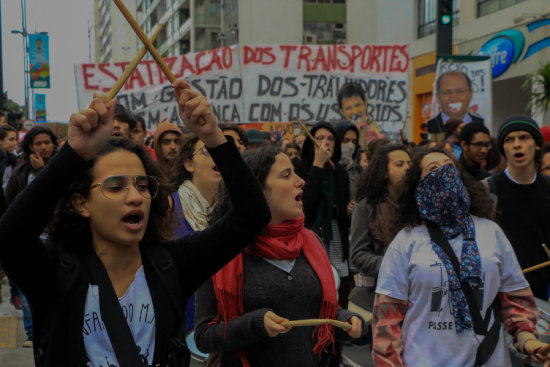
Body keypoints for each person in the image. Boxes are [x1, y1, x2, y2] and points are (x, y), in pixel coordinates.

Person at [0, 81, 270, 366]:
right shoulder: (56, 273)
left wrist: (213, 137)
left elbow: (252, 215)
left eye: (142, 185)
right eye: (115, 187)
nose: (135, 196)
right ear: (82, 204)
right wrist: (72, 154)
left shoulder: (172, 265)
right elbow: (9, 237)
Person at [373, 148, 550, 366]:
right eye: (433, 169)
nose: (444, 172)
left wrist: (527, 339)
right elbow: (387, 318)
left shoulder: (491, 232)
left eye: (449, 166)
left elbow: (516, 299)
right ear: (418, 186)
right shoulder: (406, 241)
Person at [195, 145, 365, 367]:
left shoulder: (310, 242)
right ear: (256, 188)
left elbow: (324, 314)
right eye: (286, 175)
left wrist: (345, 321)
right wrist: (254, 325)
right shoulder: (220, 249)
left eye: (295, 172)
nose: (301, 181)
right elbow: (204, 336)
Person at [484, 115, 550, 300]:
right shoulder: (487, 191)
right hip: (501, 293)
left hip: (544, 292)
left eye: (524, 138)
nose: (516, 145)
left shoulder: (548, 187)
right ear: (503, 148)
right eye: (509, 140)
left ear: (537, 145)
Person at [292, 122, 352, 308]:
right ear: (312, 142)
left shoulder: (339, 172)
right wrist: (317, 165)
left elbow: (342, 208)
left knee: (339, 284)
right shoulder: (298, 167)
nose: (326, 143)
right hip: (310, 234)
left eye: (331, 139)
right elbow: (304, 204)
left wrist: (349, 211)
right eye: (320, 138)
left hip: (334, 235)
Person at [349, 144, 411, 317]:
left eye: (409, 164)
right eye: (400, 164)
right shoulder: (366, 207)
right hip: (380, 297)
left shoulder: (418, 206)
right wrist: (396, 266)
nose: (407, 168)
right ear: (384, 173)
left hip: (417, 295)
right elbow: (358, 255)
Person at [427, 70, 484, 140]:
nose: (454, 98)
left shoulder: (480, 123)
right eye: (447, 92)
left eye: (460, 91)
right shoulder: (432, 125)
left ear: (470, 94)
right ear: (438, 96)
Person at [337, 83, 383, 148]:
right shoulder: (339, 136)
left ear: (365, 102)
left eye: (358, 105)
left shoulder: (377, 131)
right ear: (342, 111)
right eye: (348, 108)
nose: (355, 111)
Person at [334, 120, 362, 200]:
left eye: (354, 142)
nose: (350, 146)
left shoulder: (359, 171)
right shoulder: (325, 169)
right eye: (345, 141)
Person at [0, 124, 18, 216]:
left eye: (15, 139)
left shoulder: (11, 158)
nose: (15, 143)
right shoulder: (2, 155)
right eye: (11, 140)